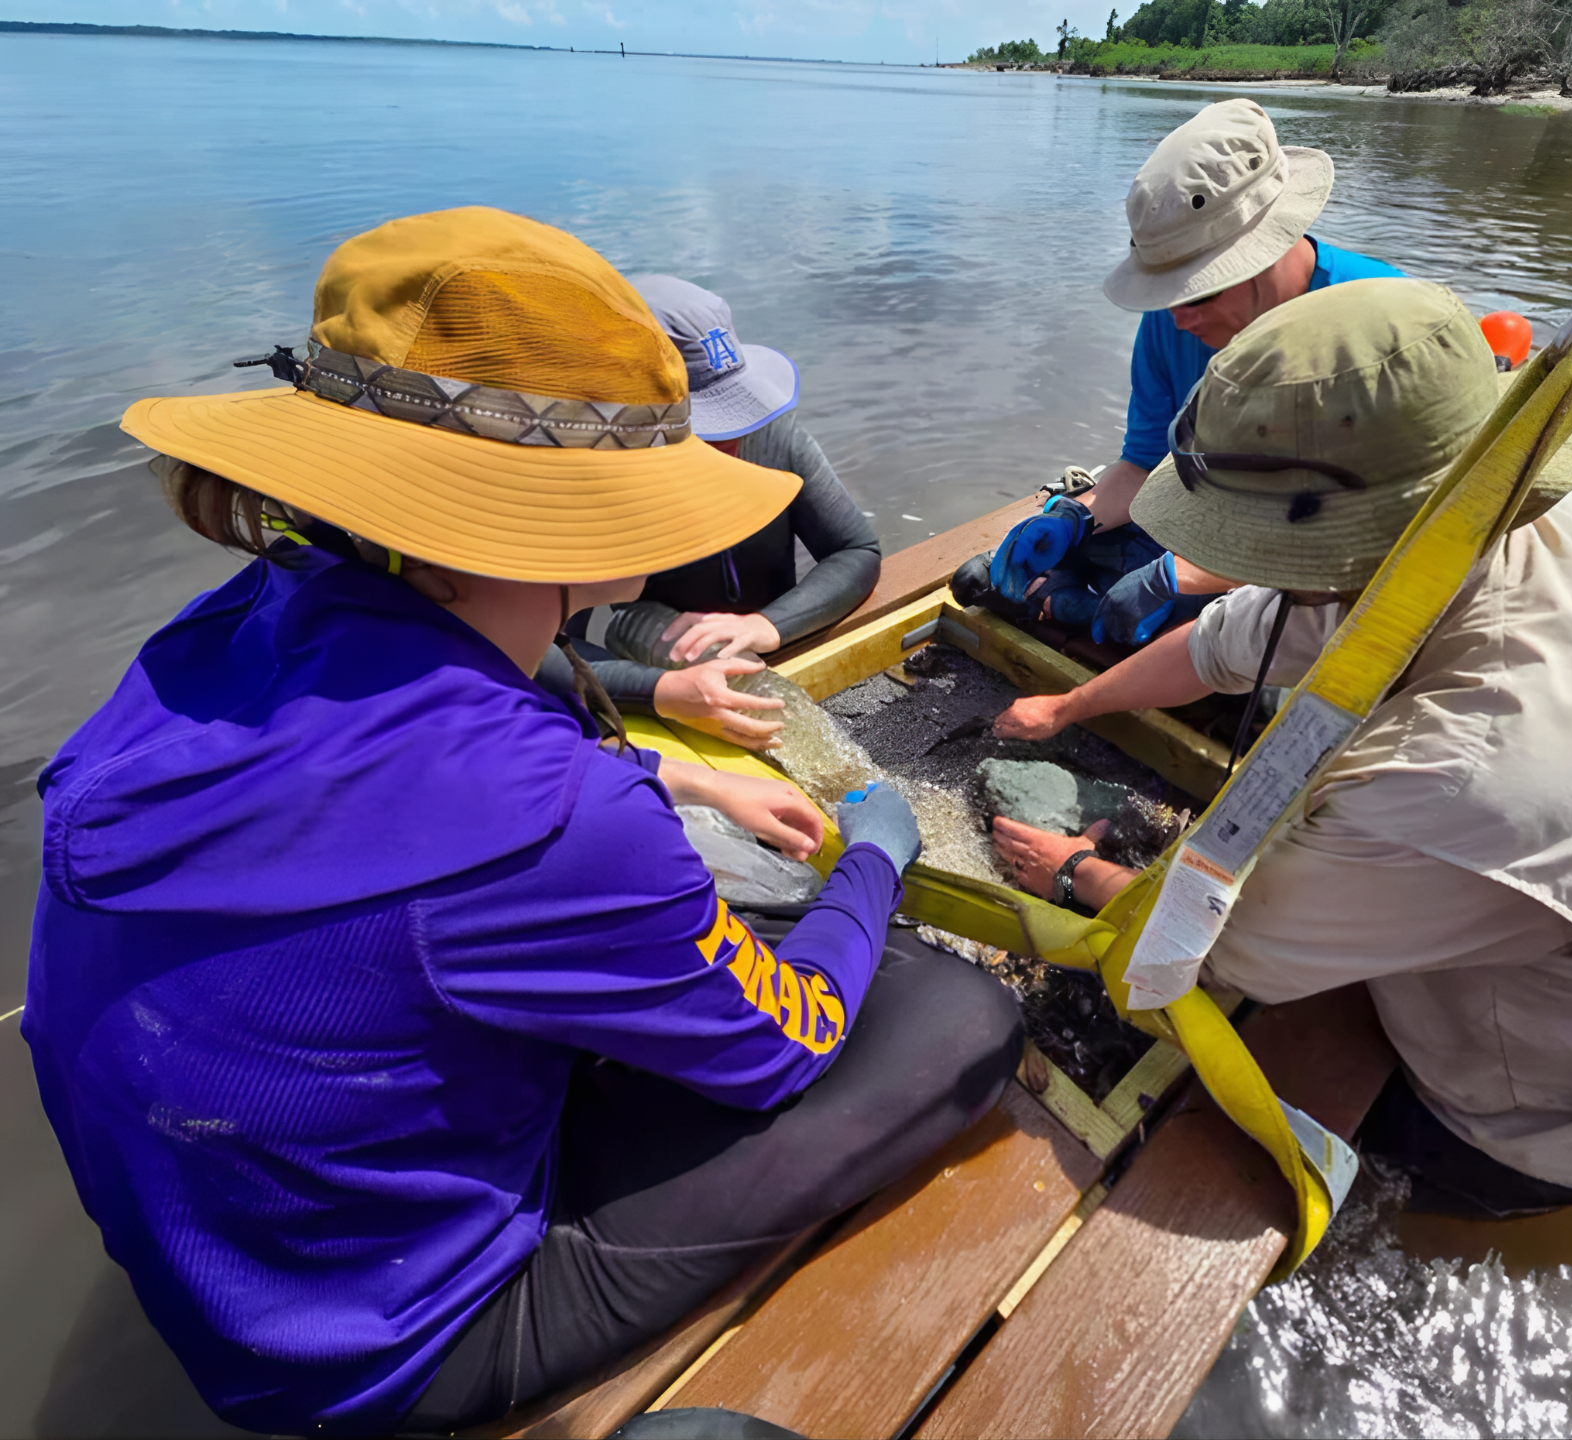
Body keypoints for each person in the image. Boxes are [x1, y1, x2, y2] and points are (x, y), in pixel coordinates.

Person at [25, 207, 1022, 1437]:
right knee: (955, 1018)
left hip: (232, 1268)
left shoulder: (223, 629)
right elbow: (787, 1038)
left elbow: (392, 795)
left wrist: (687, 782)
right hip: (391, 1348)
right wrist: (874, 856)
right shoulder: (559, 817)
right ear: (581, 523)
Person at [991, 278, 1572, 1218]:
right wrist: (1070, 706)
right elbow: (1227, 643)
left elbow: (1214, 953)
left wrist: (1074, 869)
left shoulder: (1475, 772)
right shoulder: (1469, 521)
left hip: (1557, 1116)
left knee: (1376, 1188)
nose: (1236, 563)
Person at [957, 97, 1403, 648]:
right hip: (1206, 518)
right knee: (1044, 563)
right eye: (1166, 293)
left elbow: (1378, 536)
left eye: (1197, 290)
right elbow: (1144, 464)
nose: (1178, 318)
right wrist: (1076, 518)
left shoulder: (1386, 325)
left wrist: (1184, 578)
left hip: (1321, 556)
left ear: (1268, 245)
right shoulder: (1174, 322)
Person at [539, 275, 882, 751]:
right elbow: (541, 645)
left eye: (737, 410)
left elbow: (855, 550)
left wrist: (767, 624)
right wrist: (658, 689)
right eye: (707, 422)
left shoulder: (772, 436)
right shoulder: (586, 485)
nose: (733, 437)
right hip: (653, 654)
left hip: (769, 648)